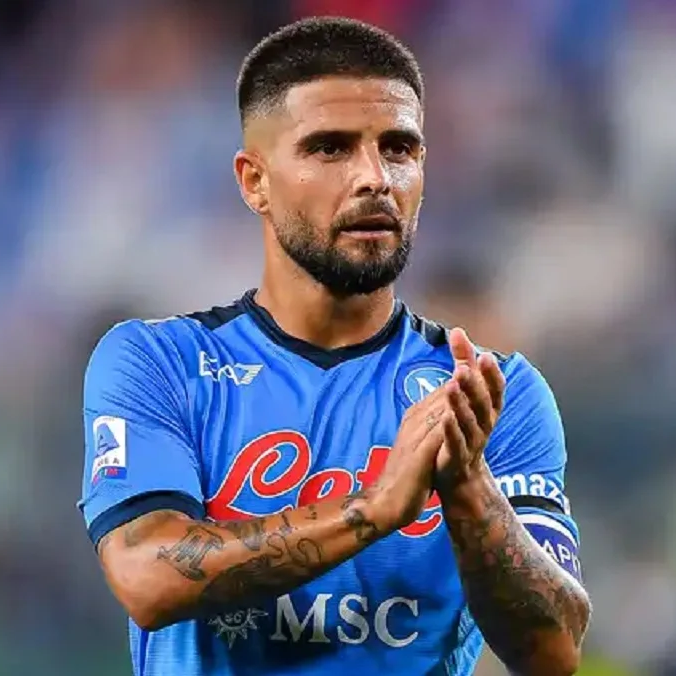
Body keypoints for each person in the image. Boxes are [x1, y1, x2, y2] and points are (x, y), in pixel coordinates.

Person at [78, 16, 590, 676]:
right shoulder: (161, 365)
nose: (375, 177)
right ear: (254, 181)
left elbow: (553, 652)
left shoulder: (494, 395)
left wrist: (468, 489)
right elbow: (147, 576)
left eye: (398, 148)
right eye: (330, 149)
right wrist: (373, 510)